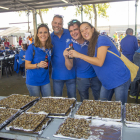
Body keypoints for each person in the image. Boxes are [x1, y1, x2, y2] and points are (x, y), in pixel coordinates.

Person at [68, 22, 131, 105]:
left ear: (93, 29)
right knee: (102, 106)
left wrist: (79, 55)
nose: (84, 32)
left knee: (120, 108)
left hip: (119, 78)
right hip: (106, 82)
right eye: (82, 30)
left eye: (86, 28)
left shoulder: (101, 39)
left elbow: (99, 62)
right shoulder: (91, 44)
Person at [63, 19, 101, 102]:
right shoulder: (70, 44)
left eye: (75, 29)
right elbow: (69, 67)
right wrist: (66, 57)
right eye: (71, 31)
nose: (73, 33)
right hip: (82, 78)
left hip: (96, 76)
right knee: (84, 102)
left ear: (80, 30)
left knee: (99, 100)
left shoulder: (91, 40)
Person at [51, 15, 76, 98]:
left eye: (59, 23)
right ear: (52, 23)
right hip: (57, 75)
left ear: (62, 24)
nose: (57, 25)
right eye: (55, 23)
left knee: (72, 99)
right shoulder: (49, 37)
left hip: (71, 74)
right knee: (57, 100)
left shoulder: (70, 33)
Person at [25, 24, 53, 97]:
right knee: (35, 104)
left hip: (45, 80)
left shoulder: (49, 48)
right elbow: (27, 65)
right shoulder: (31, 48)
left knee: (47, 102)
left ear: (48, 34)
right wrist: (38, 65)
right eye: (40, 32)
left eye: (45, 32)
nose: (43, 34)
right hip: (33, 81)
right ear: (37, 34)